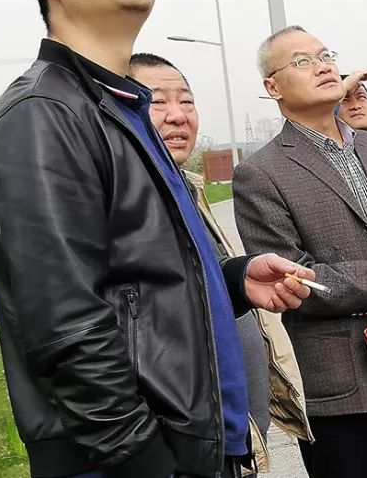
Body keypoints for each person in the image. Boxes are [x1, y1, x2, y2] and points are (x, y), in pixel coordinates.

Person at [0, 0, 314, 478]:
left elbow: (136, 280)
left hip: (192, 447)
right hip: (134, 458)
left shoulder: (122, 110)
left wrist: (231, 280)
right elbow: (64, 326)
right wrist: (144, 459)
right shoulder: (44, 115)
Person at [232, 25, 367, 478]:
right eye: (302, 61)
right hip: (341, 388)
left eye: (326, 55)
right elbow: (292, 274)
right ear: (273, 87)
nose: (323, 66)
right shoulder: (261, 173)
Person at [128, 53, 314, 473]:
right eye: (157, 102)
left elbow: (188, 291)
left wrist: (237, 279)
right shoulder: (130, 204)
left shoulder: (184, 190)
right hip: (186, 448)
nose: (178, 115)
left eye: (187, 101)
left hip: (230, 441)